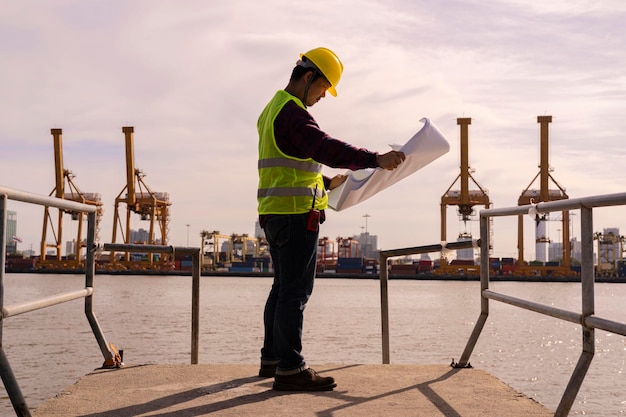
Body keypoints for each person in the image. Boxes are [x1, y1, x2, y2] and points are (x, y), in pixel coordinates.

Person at [257, 47, 405, 392]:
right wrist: (375, 159)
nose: (323, 97)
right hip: (296, 218)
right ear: (309, 77)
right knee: (295, 293)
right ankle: (291, 370)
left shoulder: (271, 109)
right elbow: (324, 147)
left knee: (281, 289)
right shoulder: (294, 114)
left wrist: (324, 182)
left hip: (274, 214)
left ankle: (273, 359)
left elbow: (285, 163)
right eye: (323, 88)